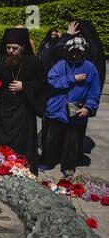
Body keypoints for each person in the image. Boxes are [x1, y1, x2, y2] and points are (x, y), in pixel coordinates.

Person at [0, 28, 48, 175]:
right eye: (8, 47)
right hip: (2, 109)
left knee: (21, 144)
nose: (11, 51)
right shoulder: (0, 62)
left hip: (23, 109)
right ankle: (0, 166)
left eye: (15, 48)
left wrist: (24, 86)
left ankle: (21, 169)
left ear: (23, 47)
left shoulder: (33, 62)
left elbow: (43, 83)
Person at [40, 37, 101, 176]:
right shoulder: (61, 65)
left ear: (83, 51)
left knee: (72, 142)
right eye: (72, 51)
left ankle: (68, 166)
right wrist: (72, 78)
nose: (74, 54)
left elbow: (94, 91)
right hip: (57, 109)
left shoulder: (90, 68)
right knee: (51, 139)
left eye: (78, 52)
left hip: (76, 111)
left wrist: (88, 107)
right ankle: (48, 161)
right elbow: (52, 81)